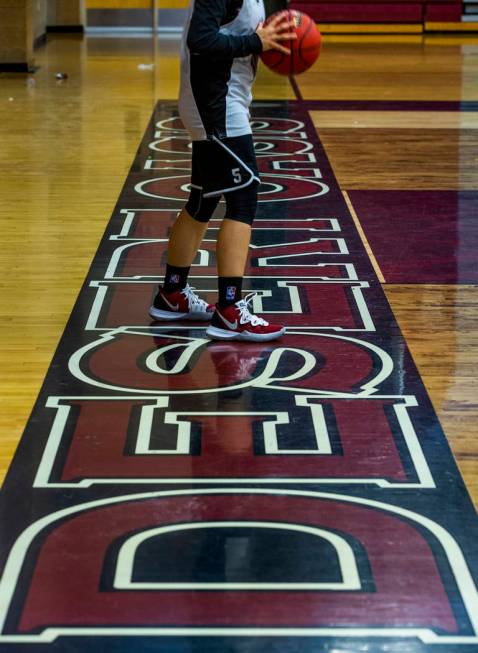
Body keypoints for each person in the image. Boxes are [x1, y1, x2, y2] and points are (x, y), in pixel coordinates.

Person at [149, 0, 296, 342]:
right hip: (215, 106)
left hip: (222, 101)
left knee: (202, 200)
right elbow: (200, 39)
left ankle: (173, 294)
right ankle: (229, 312)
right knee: (243, 199)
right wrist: (255, 43)